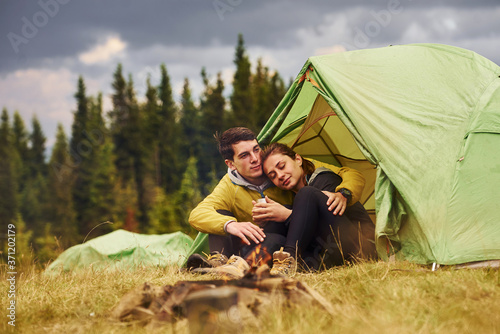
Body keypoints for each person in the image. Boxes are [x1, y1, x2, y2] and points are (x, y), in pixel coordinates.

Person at [187, 127, 294, 276]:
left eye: (256, 149)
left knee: (275, 239)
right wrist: (231, 224)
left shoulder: (280, 170)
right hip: (244, 248)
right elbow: (196, 215)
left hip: (282, 242)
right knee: (219, 214)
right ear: (231, 164)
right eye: (244, 155)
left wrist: (339, 192)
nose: (255, 158)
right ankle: (219, 262)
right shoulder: (229, 186)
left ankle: (230, 269)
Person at [261, 142, 377, 276]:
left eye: (282, 166)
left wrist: (288, 216)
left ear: (298, 160)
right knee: (275, 219)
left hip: (362, 249)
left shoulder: (325, 179)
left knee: (305, 195)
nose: (280, 175)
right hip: (332, 254)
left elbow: (323, 233)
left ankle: (288, 261)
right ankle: (252, 263)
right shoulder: (294, 196)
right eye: (273, 176)